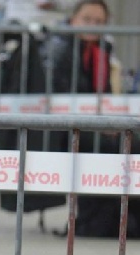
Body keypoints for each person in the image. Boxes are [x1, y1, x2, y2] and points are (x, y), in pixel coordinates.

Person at [48, 0, 140, 237]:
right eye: (87, 19)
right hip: (62, 128)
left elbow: (106, 97)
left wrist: (110, 123)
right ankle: (100, 218)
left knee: (133, 141)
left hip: (94, 124)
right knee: (109, 146)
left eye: (99, 21)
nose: (93, 25)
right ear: (73, 20)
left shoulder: (102, 52)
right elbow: (58, 99)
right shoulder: (58, 48)